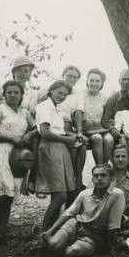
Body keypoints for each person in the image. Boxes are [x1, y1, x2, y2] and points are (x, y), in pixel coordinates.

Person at [0, 80, 33, 245]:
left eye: (16, 92)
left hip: (18, 155)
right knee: (0, 196)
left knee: (9, 196)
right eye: (9, 92)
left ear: (21, 95)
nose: (13, 95)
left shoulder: (24, 113)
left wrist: (28, 136)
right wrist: (10, 137)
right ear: (4, 95)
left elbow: (35, 128)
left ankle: (1, 234)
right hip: (2, 152)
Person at [42, 164, 125, 257]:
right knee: (54, 244)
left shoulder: (117, 195)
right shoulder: (84, 194)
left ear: (111, 178)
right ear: (92, 179)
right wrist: (50, 230)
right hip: (76, 225)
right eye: (96, 175)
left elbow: (113, 224)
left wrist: (108, 247)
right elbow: (68, 213)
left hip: (94, 234)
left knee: (71, 252)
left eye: (103, 175)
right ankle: (55, 244)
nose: (99, 178)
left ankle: (66, 247)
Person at [35, 80, 80, 231]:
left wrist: (74, 136)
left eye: (65, 95)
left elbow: (58, 129)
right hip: (50, 148)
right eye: (59, 93)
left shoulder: (57, 108)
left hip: (60, 148)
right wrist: (67, 140)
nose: (62, 96)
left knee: (58, 194)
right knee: (61, 195)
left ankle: (49, 231)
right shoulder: (45, 106)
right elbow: (45, 132)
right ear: (52, 90)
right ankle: (43, 231)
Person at [79, 68, 114, 164]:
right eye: (91, 80)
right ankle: (99, 167)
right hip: (86, 131)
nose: (94, 83)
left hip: (102, 129)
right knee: (97, 138)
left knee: (109, 139)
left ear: (102, 83)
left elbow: (107, 118)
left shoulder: (105, 99)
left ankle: (105, 167)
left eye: (97, 81)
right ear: (87, 81)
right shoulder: (80, 96)